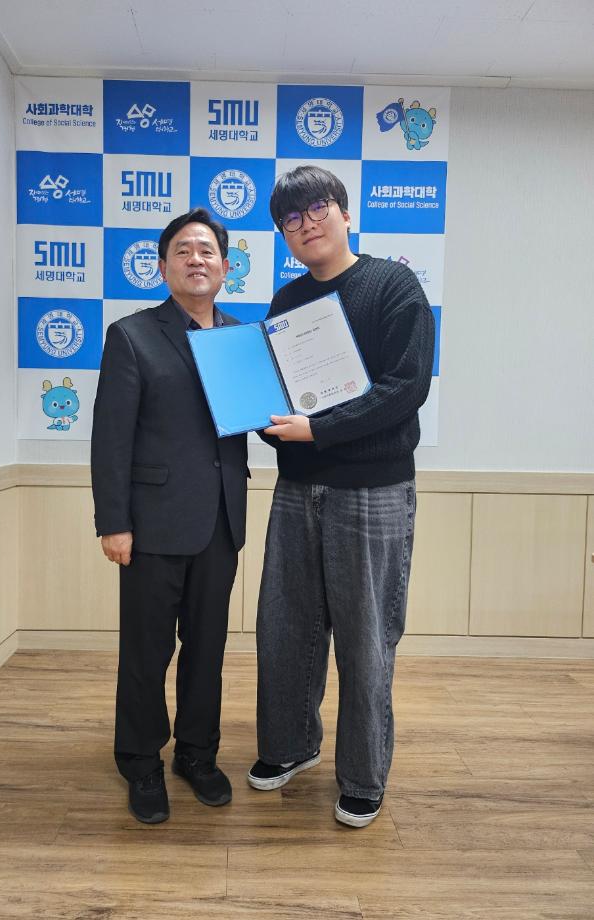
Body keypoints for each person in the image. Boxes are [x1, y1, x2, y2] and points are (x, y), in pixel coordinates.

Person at [247, 166, 435, 828]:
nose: (306, 225)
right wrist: (262, 418)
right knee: (285, 627)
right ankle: (291, 745)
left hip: (373, 491)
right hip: (297, 487)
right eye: (290, 220)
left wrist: (319, 430)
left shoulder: (393, 286)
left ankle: (362, 775)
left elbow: (406, 387)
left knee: (366, 637)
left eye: (317, 209)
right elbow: (274, 392)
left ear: (345, 212)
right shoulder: (287, 299)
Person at [91, 208, 248, 824]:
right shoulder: (131, 335)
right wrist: (113, 522)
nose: (196, 259)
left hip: (220, 523)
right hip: (151, 525)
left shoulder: (241, 339)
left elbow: (253, 420)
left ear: (225, 267)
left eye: (207, 251)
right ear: (163, 267)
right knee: (146, 651)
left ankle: (197, 755)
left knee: (207, 649)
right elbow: (111, 438)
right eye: (183, 251)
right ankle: (139, 761)